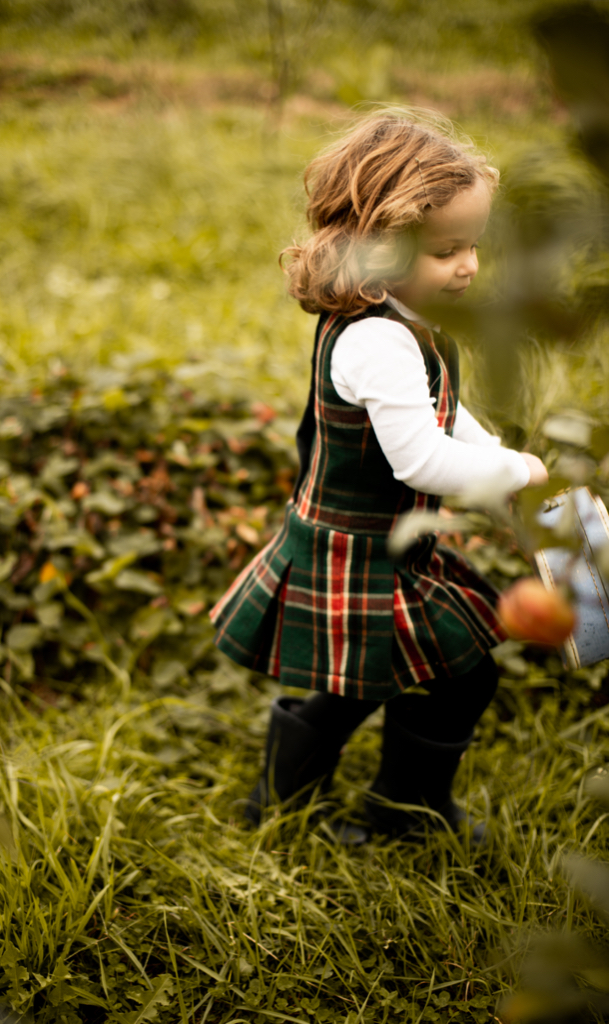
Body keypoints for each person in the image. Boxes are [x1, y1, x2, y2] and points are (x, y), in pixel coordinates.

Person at [210, 110, 548, 841]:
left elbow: (444, 422)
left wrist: (503, 467)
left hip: (378, 545)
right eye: (445, 250)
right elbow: (419, 458)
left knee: (393, 676)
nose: (467, 266)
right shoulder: (374, 339)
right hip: (355, 554)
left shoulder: (397, 321)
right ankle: (352, 810)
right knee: (409, 678)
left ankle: (377, 805)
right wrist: (514, 468)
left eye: (472, 247)